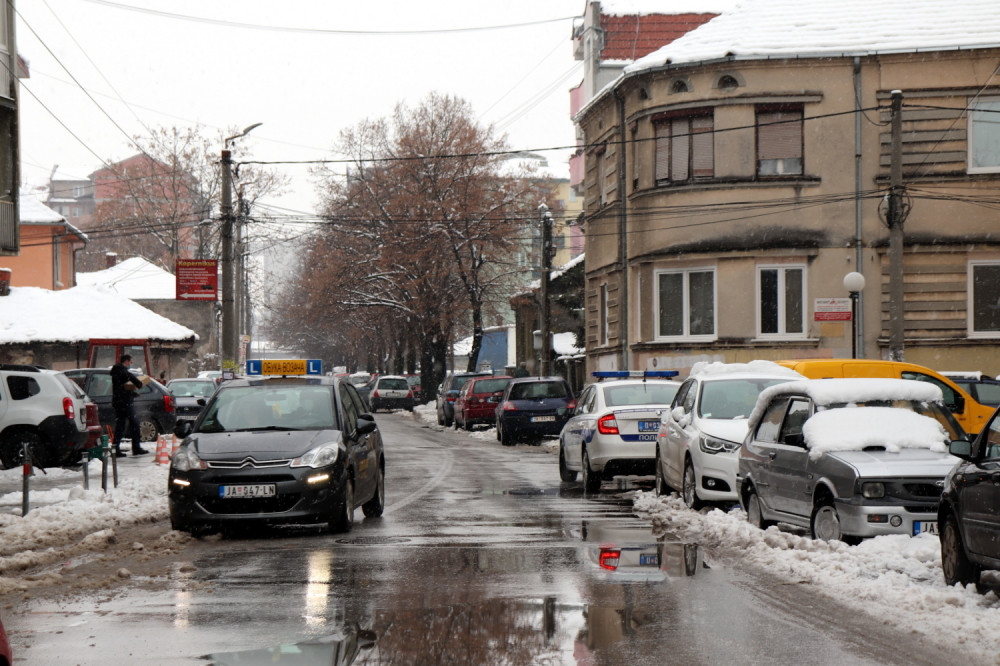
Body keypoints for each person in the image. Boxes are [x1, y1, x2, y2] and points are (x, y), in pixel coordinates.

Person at [111, 354, 149, 457]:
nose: (131, 364)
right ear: (126, 361)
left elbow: (121, 389)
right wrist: (139, 383)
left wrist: (133, 394)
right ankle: (136, 448)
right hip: (124, 403)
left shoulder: (117, 371)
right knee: (135, 423)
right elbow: (133, 379)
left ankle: (115, 449)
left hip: (120, 402)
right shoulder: (121, 371)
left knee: (121, 425)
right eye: (131, 362)